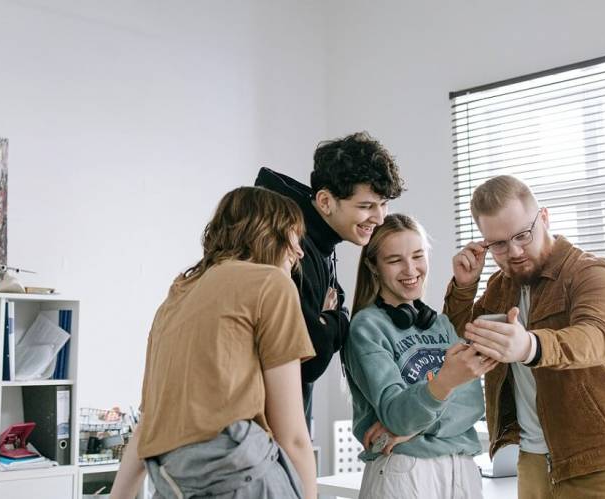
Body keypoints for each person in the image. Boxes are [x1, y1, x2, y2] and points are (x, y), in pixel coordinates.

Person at [110, 186, 317, 499]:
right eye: (293, 235)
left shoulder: (174, 301)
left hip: (174, 484)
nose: (299, 252)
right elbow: (293, 435)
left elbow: (148, 423)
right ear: (267, 232)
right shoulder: (271, 284)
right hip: (244, 478)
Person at [444, 175, 605, 498]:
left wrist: (530, 346)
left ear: (544, 218)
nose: (515, 251)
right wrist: (464, 287)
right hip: (533, 461)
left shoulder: (589, 273)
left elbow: (596, 337)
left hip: (603, 460)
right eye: (499, 244)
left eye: (523, 235)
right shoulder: (501, 285)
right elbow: (460, 342)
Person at [255, 131, 405, 431]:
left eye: (383, 203)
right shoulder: (292, 248)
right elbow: (307, 359)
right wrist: (336, 319)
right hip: (268, 434)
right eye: (366, 206)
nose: (379, 218)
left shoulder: (319, 243)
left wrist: (330, 317)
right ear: (325, 201)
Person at [342, 213, 493, 498]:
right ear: (373, 267)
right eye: (395, 260)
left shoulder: (441, 324)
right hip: (405, 472)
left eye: (417, 256)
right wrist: (444, 384)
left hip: (462, 470)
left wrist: (415, 428)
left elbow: (473, 405)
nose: (410, 269)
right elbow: (397, 416)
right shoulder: (367, 328)